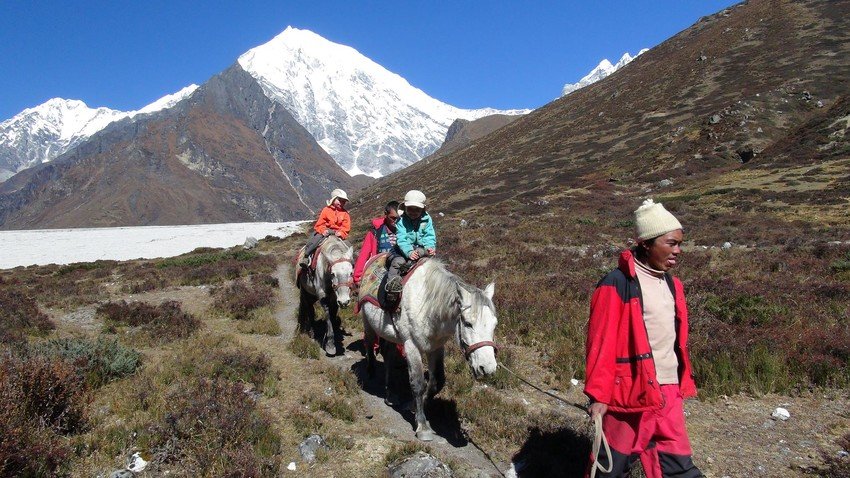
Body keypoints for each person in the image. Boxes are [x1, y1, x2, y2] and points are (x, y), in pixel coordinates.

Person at [584, 199, 703, 478]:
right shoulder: (616, 283)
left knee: (677, 466)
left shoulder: (674, 285)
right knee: (612, 468)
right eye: (671, 243)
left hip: (669, 392)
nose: (678, 251)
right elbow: (600, 343)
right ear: (647, 243)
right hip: (629, 391)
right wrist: (599, 395)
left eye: (679, 244)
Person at [385, 190, 436, 301]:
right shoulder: (401, 221)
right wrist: (408, 252)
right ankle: (392, 289)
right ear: (405, 208)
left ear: (422, 209)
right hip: (402, 249)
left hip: (420, 248)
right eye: (410, 209)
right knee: (397, 262)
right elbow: (402, 239)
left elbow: (429, 235)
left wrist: (430, 247)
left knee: (431, 261)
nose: (413, 212)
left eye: (417, 209)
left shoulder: (427, 220)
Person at [298, 189, 351, 268]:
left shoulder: (345, 214)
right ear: (333, 199)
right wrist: (323, 230)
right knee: (314, 241)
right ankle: (306, 256)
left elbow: (346, 227)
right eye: (340, 200)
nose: (342, 203)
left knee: (348, 246)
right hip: (325, 232)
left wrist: (341, 233)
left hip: (337, 233)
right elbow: (319, 224)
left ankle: (351, 264)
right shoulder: (326, 210)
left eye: (344, 201)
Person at [353, 200, 400, 287]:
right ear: (386, 214)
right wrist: (357, 277)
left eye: (398, 218)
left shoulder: (405, 231)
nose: (395, 222)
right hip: (379, 270)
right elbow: (364, 254)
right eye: (393, 218)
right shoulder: (375, 233)